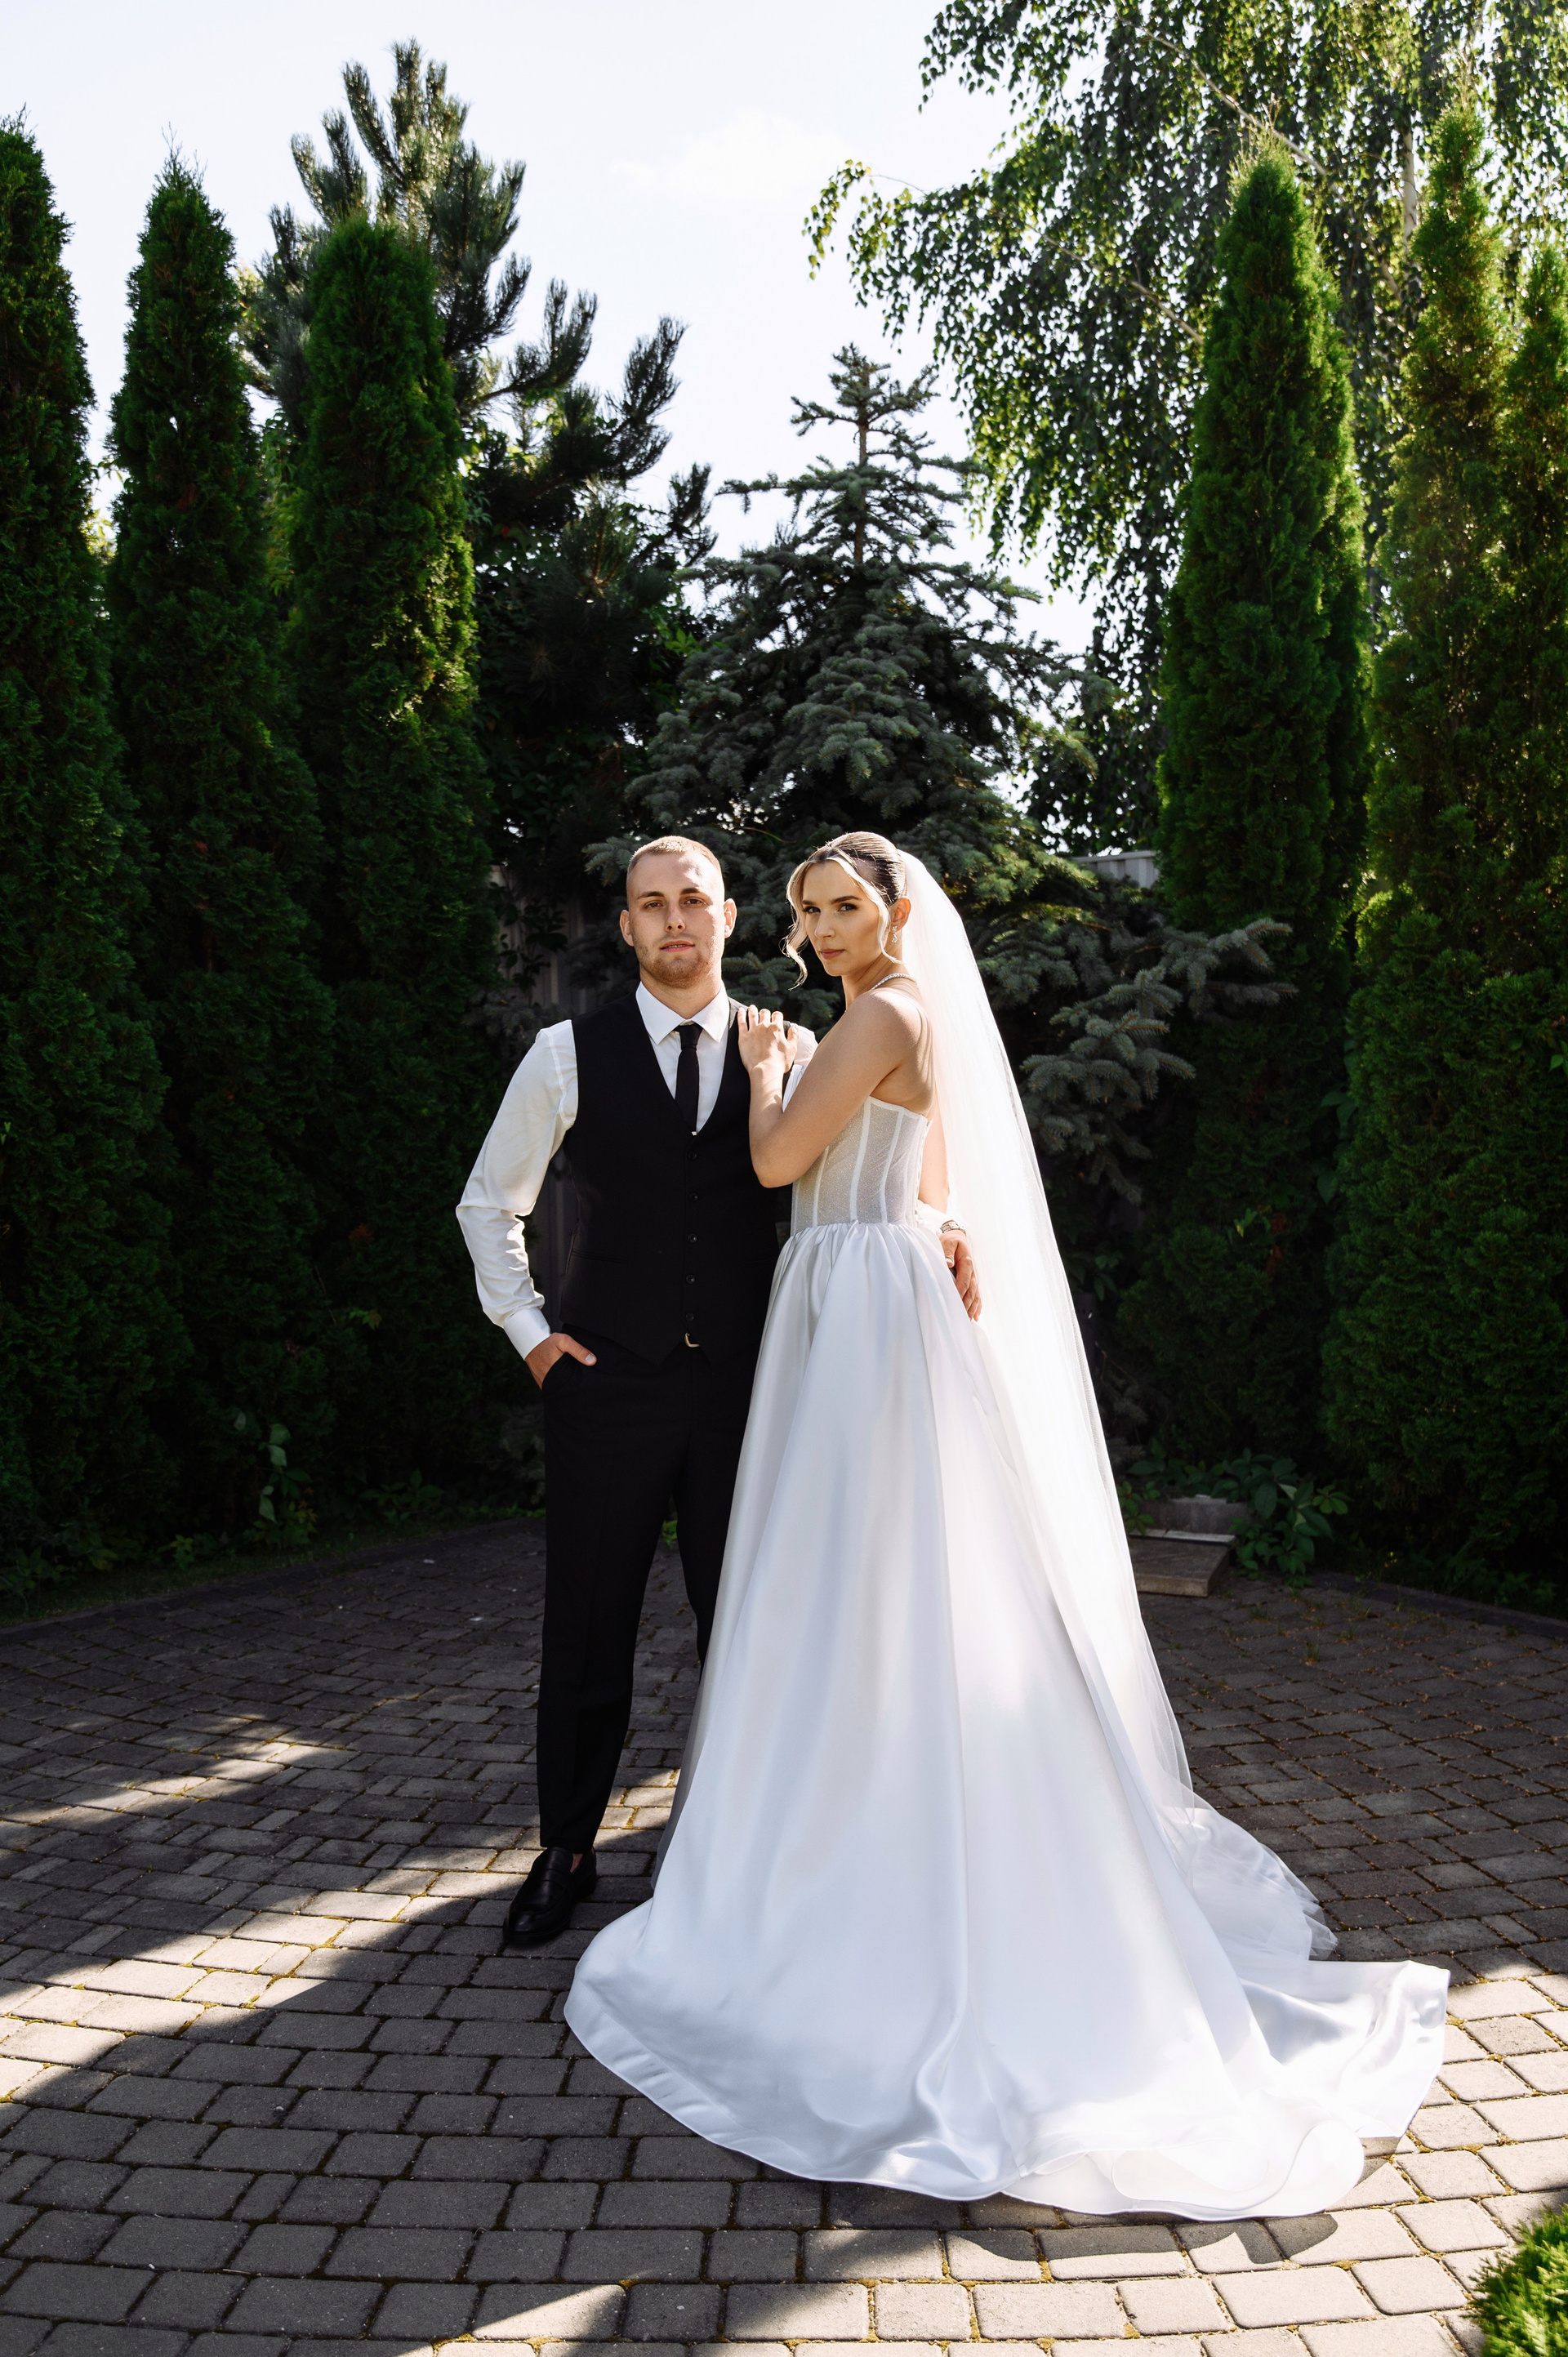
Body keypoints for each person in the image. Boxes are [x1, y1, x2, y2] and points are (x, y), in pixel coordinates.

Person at [564, 830, 1447, 2221]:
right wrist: (936, 1221)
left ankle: (869, 1853)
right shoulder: (900, 1014)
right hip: (871, 1288)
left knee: (858, 1580)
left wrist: (768, 1069)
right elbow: (926, 1178)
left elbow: (781, 1159)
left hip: (858, 1309)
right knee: (879, 1584)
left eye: (843, 906)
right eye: (807, 911)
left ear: (896, 909)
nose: (823, 929)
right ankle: (863, 1817)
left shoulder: (880, 1015)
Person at [456, 835, 978, 1948]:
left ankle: (746, 1852)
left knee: (751, 1623)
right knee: (588, 1624)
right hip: (606, 1385)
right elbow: (487, 1206)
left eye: (693, 899)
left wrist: (949, 1226)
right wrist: (534, 1338)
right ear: (627, 926)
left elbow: (887, 1154)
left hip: (753, 1388)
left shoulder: (792, 1045)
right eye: (651, 905)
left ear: (730, 916)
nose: (674, 920)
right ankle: (566, 1848)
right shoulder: (565, 1053)